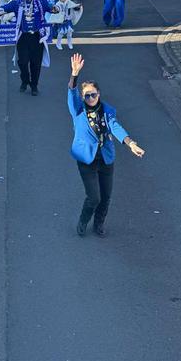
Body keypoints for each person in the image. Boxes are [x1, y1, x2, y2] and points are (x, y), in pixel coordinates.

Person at [68, 53, 144, 237]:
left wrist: (130, 143)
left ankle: (99, 224)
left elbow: (115, 127)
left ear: (99, 94)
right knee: (94, 197)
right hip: (86, 159)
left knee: (106, 196)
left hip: (105, 158)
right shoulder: (78, 110)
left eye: (93, 95)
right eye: (87, 95)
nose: (90, 98)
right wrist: (74, 74)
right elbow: (71, 92)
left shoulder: (107, 110)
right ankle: (83, 221)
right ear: (83, 97)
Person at [0, 0, 57, 96]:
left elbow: (51, 7)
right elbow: (6, 7)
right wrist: (1, 9)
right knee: (23, 62)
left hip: (37, 37)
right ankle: (25, 81)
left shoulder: (40, 2)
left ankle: (34, 85)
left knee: (36, 63)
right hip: (23, 37)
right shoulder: (17, 2)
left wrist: (55, 8)